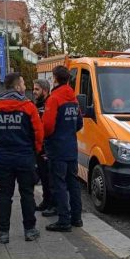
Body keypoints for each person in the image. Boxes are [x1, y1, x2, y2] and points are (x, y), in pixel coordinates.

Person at [0, 73, 44, 244]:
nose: (25, 87)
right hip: (25, 157)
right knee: (27, 194)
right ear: (17, 86)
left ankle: (2, 232)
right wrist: (36, 152)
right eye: (24, 83)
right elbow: (39, 133)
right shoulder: (29, 106)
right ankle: (30, 230)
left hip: (4, 158)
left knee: (5, 195)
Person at [43, 65, 83, 232]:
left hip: (57, 148)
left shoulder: (54, 98)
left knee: (59, 184)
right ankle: (76, 218)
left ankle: (63, 220)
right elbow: (79, 123)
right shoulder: (73, 98)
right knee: (73, 183)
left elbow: (48, 126)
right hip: (71, 147)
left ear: (55, 78)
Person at [32, 79, 55, 214]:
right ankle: (46, 201)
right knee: (43, 176)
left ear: (45, 91)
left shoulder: (49, 104)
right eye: (34, 89)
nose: (34, 92)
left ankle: (53, 204)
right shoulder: (37, 104)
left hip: (47, 146)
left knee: (50, 177)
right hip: (39, 147)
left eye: (36, 89)